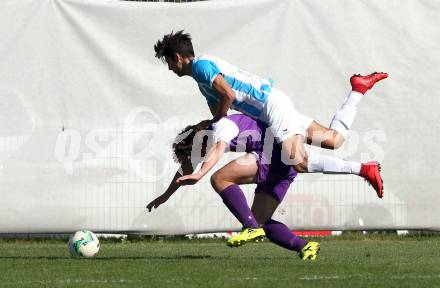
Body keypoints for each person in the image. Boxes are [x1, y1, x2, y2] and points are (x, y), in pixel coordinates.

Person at [153, 30, 387, 195]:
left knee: (299, 163)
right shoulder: (201, 78)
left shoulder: (201, 67)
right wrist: (209, 123)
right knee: (334, 139)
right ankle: (358, 89)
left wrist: (214, 120)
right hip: (272, 106)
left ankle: (364, 170)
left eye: (168, 63)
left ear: (177, 57)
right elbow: (221, 112)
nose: (170, 68)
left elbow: (230, 97)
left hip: (271, 107)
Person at [147, 113, 383, 260]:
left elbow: (216, 153)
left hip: (275, 157)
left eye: (196, 153)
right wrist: (166, 195)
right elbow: (187, 170)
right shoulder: (214, 136)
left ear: (199, 140)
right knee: (260, 220)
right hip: (284, 168)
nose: (198, 158)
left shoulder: (222, 128)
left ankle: (249, 227)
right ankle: (305, 246)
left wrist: (201, 173)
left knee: (219, 179)